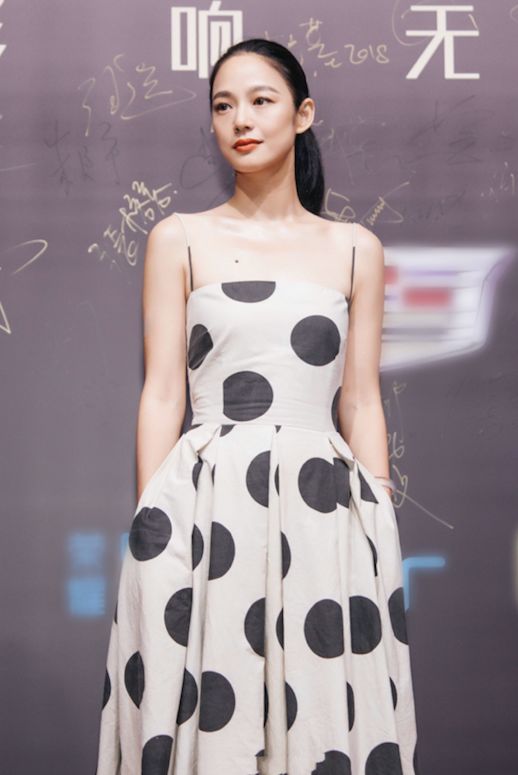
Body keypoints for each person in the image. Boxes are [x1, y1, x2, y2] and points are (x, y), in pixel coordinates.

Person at [95, 37, 420, 775]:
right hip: (204, 504)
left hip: (323, 506)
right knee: (207, 701)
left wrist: (377, 517)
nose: (240, 119)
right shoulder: (179, 238)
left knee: (322, 705)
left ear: (303, 114)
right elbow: (163, 392)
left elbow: (361, 399)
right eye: (223, 105)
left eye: (261, 100)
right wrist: (152, 522)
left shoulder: (355, 248)